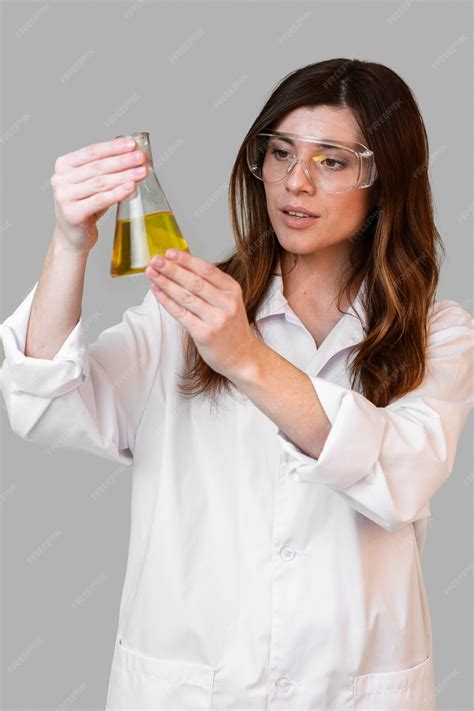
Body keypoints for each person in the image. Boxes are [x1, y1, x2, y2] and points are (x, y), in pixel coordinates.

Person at [1, 58, 472, 710]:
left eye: (331, 161)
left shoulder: (436, 333)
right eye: (280, 152)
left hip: (358, 691)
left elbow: (402, 475)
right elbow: (42, 403)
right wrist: (70, 241)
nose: (295, 182)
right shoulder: (184, 312)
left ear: (383, 181)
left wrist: (245, 357)